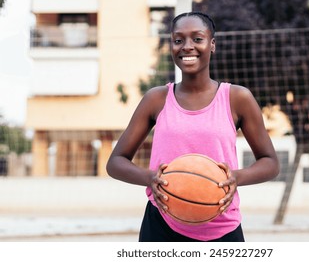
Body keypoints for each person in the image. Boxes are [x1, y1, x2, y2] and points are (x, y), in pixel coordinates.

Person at [106, 12, 279, 242]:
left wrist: (237, 177)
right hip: (162, 225)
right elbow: (115, 162)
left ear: (212, 44)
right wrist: (150, 178)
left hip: (222, 227)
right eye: (178, 40)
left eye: (197, 39)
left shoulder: (237, 98)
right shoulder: (156, 99)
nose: (187, 46)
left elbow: (270, 162)